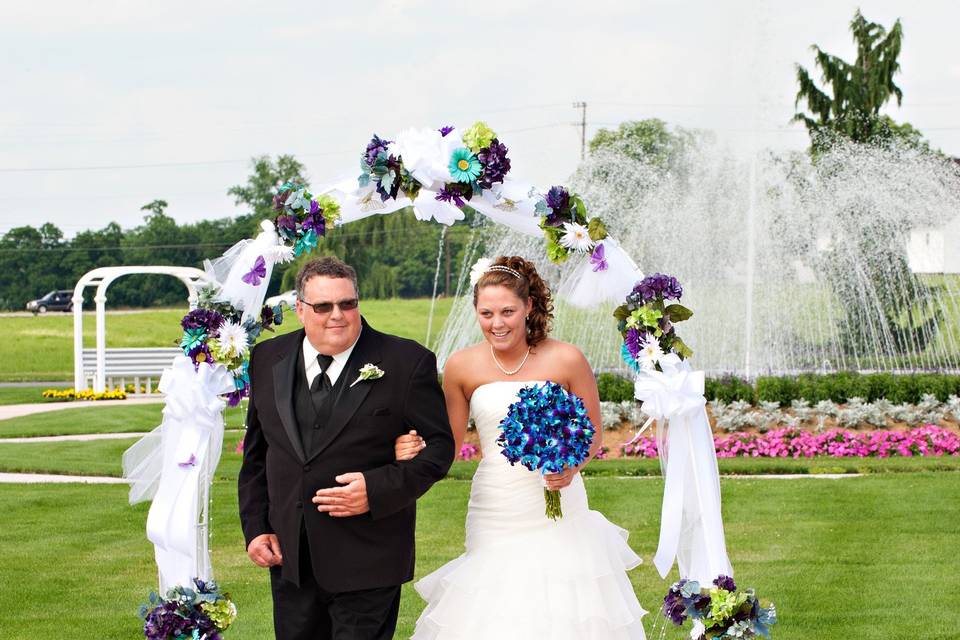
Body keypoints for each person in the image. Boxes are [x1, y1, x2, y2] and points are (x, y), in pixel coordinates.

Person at [396, 255, 648, 639]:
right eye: (487, 313)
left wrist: (570, 466)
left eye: (508, 311)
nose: (497, 323)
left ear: (529, 306)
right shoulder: (462, 366)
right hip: (495, 505)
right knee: (496, 607)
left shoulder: (567, 358)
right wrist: (411, 446)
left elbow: (593, 434)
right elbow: (445, 441)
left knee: (565, 604)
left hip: (559, 503)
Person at [238, 256, 454, 640]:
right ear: (301, 310)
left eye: (347, 304)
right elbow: (257, 456)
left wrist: (375, 490)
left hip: (369, 558)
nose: (337, 315)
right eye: (323, 306)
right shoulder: (268, 358)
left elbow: (438, 449)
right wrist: (256, 529)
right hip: (291, 560)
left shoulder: (406, 362)